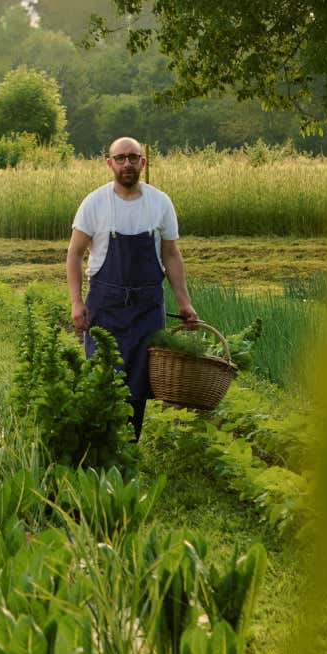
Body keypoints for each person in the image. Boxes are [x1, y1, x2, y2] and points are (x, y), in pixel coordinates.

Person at [67, 136, 197, 438]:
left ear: (143, 162)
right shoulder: (95, 203)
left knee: (139, 382)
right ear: (109, 163)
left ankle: (129, 444)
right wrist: (76, 302)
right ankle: (103, 442)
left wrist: (184, 302)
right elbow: (74, 254)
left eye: (133, 157)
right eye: (121, 158)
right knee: (103, 375)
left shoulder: (160, 203)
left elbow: (171, 254)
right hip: (105, 303)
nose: (127, 163)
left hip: (146, 306)